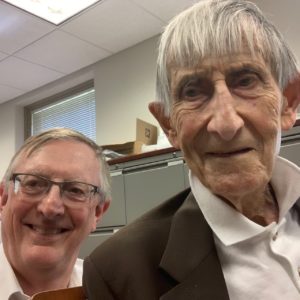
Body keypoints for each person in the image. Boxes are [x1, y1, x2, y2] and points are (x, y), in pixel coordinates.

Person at [83, 0, 300, 299]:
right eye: (193, 92)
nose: (225, 124)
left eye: (246, 81)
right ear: (169, 125)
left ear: (288, 103)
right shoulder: (120, 272)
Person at [0, 128, 110, 299]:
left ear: (97, 212)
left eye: (75, 190)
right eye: (34, 184)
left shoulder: (109, 291)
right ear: (3, 199)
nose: (50, 207)